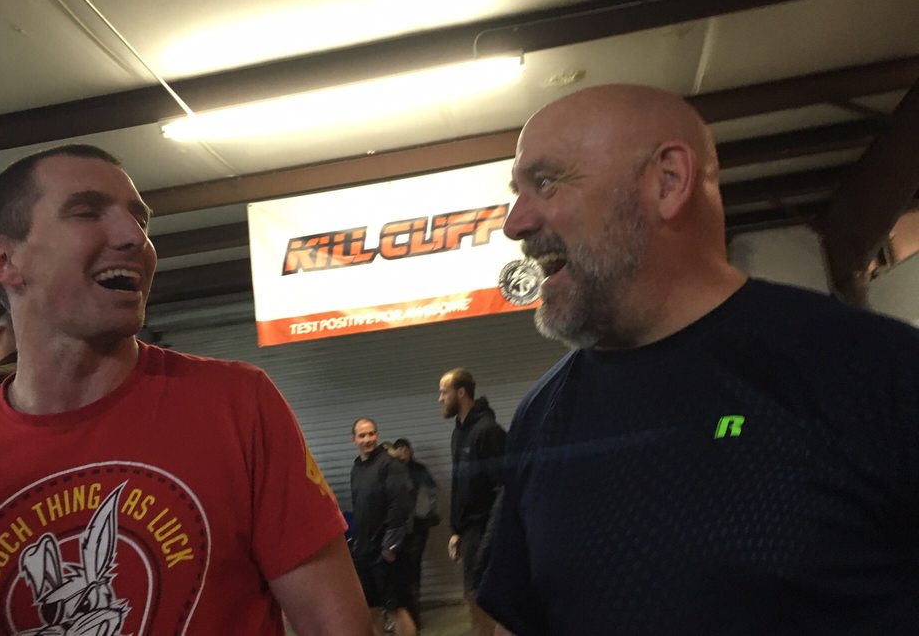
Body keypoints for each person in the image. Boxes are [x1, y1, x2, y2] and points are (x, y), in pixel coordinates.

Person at [477, 84, 919, 635]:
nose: (514, 223)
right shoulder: (540, 418)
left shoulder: (874, 372)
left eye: (545, 182)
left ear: (668, 181)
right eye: (516, 192)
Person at [0, 144, 371, 635]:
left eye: (140, 220)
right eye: (88, 212)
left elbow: (336, 624)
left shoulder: (237, 404)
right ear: (3, 259)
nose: (134, 237)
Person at [437, 367, 506, 636]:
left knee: (482, 597)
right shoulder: (459, 433)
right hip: (469, 531)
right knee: (472, 596)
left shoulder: (488, 431)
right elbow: (460, 486)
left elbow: (505, 488)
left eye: (444, 392)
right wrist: (456, 530)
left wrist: (490, 537)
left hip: (486, 529)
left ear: (461, 393)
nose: (440, 398)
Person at [349, 418, 417, 636]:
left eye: (371, 434)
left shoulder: (390, 465)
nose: (367, 439)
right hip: (364, 552)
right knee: (371, 610)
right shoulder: (357, 468)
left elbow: (400, 505)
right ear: (354, 440)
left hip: (386, 553)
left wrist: (390, 547)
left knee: (396, 608)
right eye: (362, 435)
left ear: (377, 436)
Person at [392, 437, 440, 625]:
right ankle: (404, 613)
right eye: (400, 450)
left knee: (413, 568)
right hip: (398, 529)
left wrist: (427, 513)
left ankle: (414, 614)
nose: (403, 453)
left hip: (418, 527)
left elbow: (432, 492)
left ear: (410, 451)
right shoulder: (392, 471)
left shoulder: (419, 470)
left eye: (406, 449)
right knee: (399, 571)